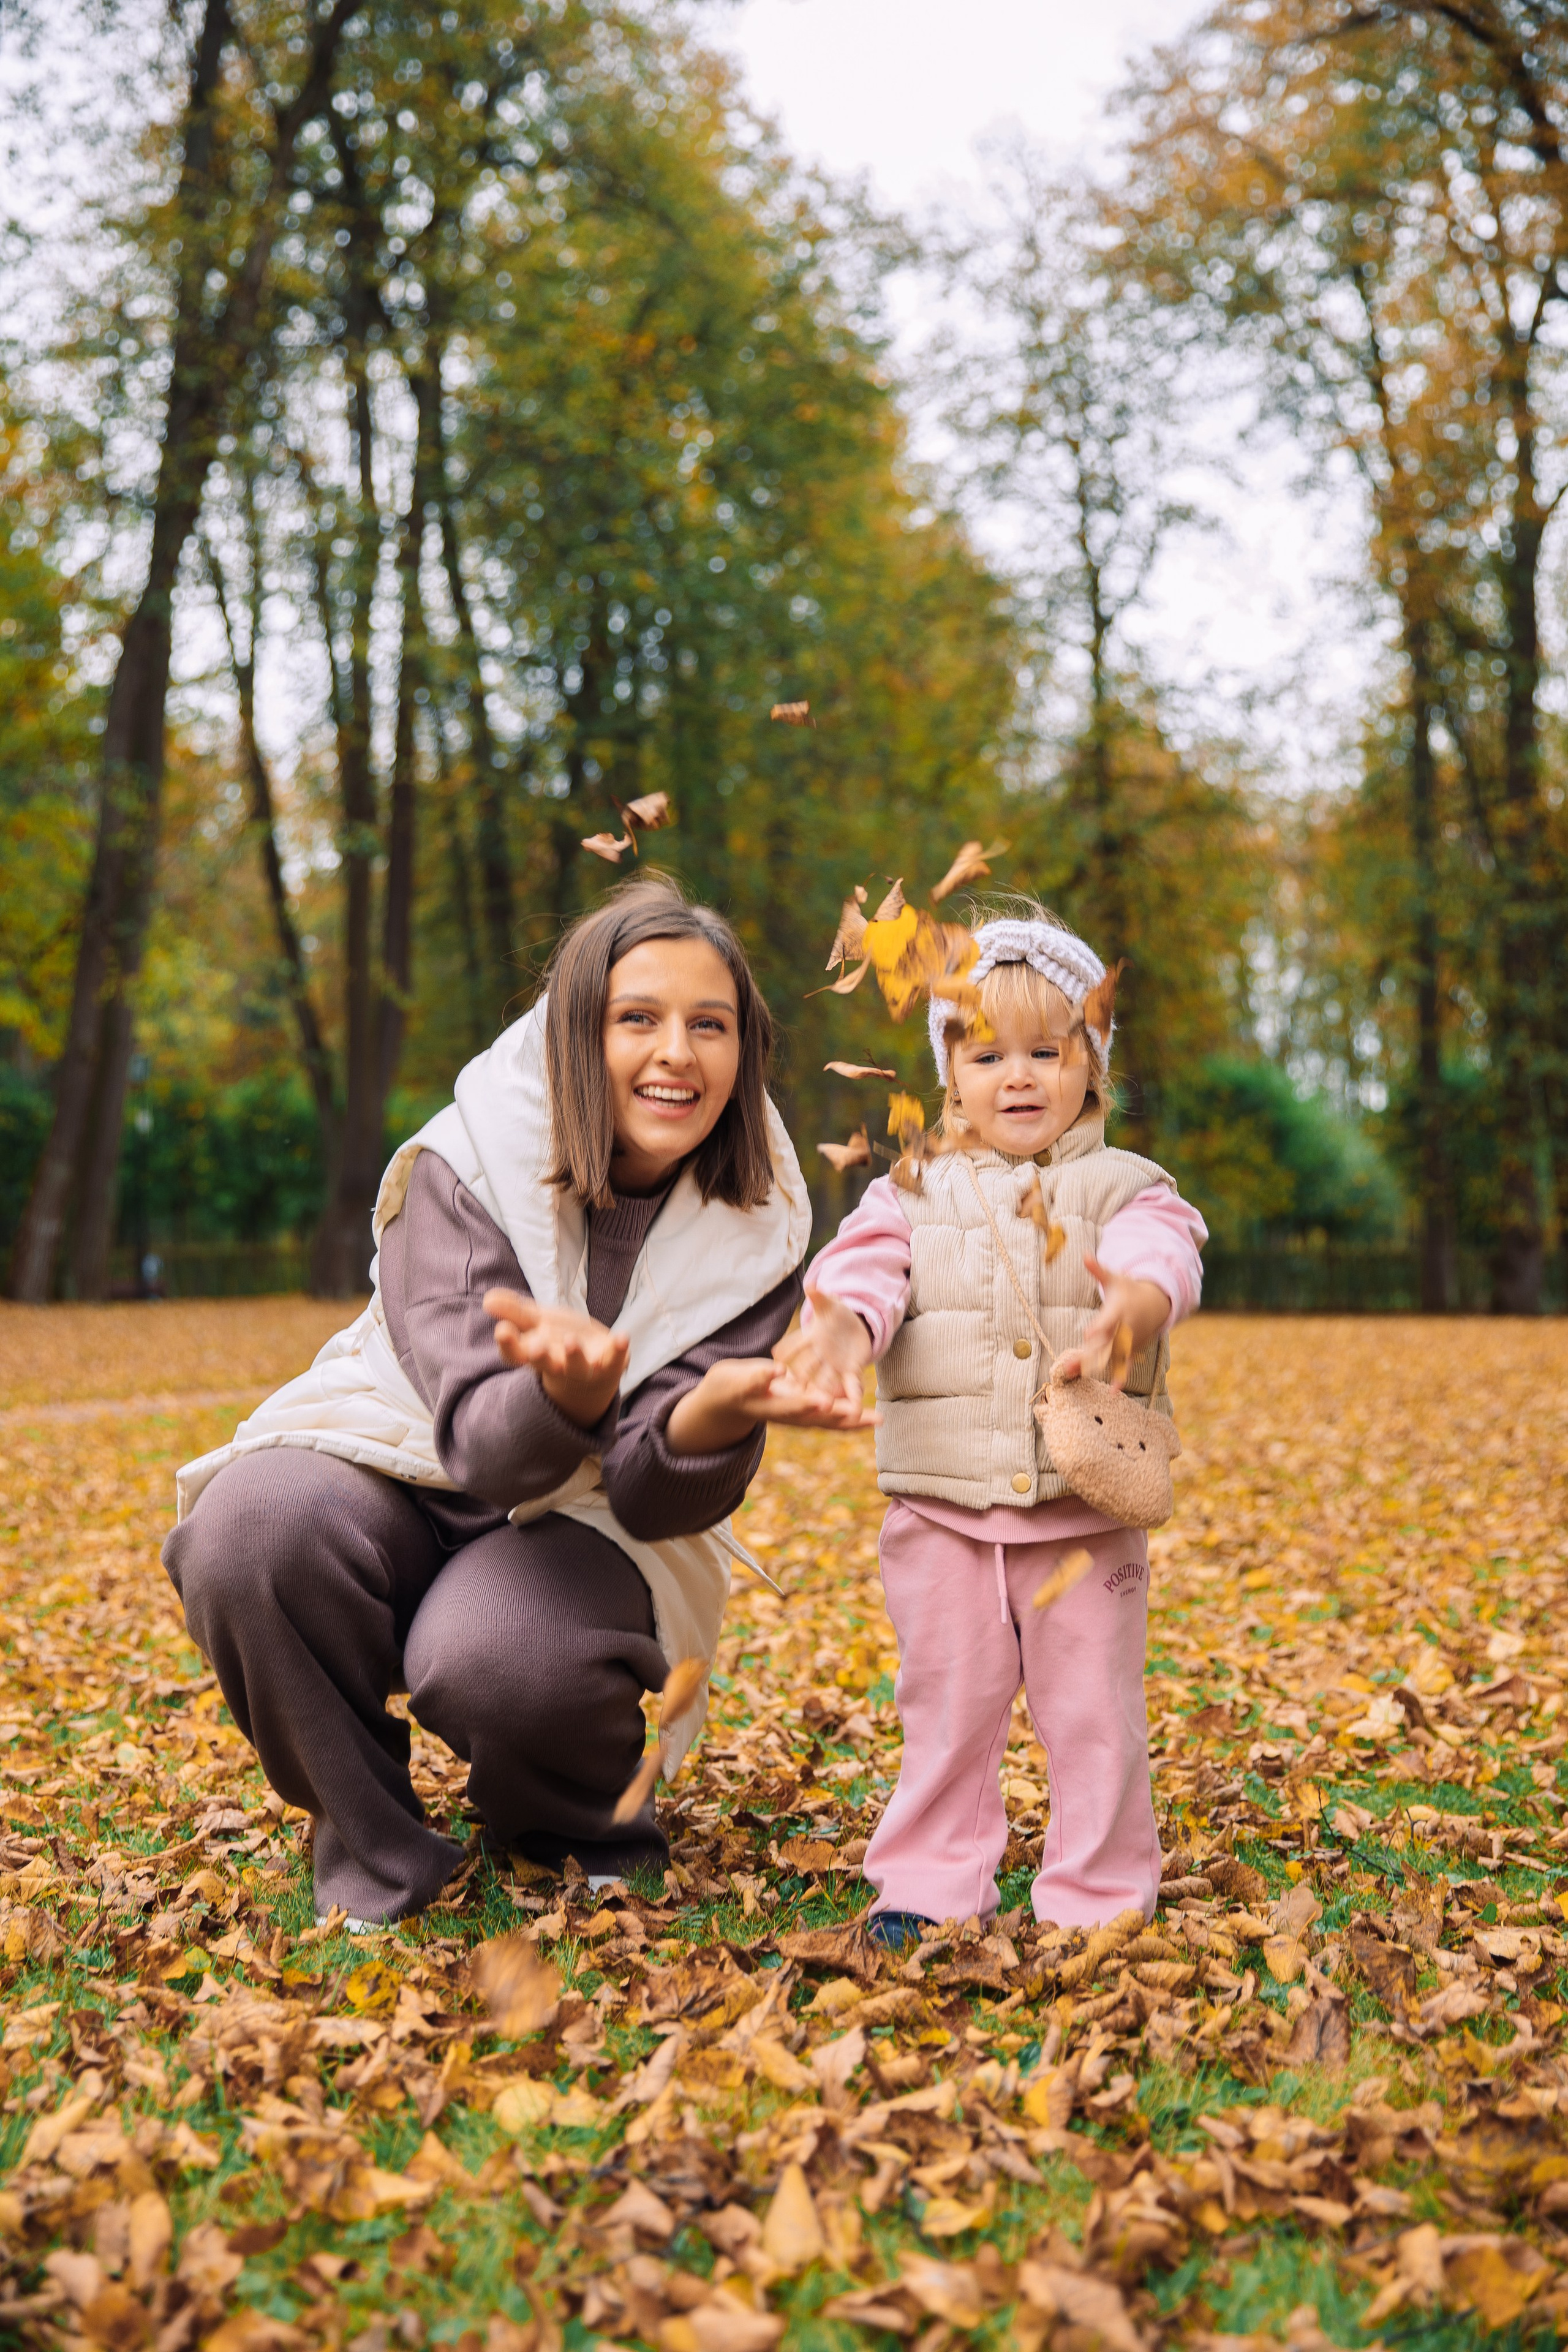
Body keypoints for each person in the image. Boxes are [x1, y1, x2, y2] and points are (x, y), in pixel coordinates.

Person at [164, 880, 869, 1928]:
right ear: (575, 1035)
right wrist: (564, 1391)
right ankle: (374, 1851)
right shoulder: (462, 1166)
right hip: (400, 1453)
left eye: (708, 1026)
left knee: (499, 1657)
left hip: (587, 1520)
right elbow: (482, 1443)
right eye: (639, 1018)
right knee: (247, 1533)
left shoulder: (758, 1223)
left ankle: (571, 1827)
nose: (677, 1052)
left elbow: (650, 1495)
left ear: (743, 1052)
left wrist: (709, 1418)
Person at [775, 905, 1207, 1943]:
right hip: (943, 1513)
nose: (1017, 1077)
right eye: (985, 1054)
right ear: (949, 1074)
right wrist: (840, 1327)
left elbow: (1171, 1251)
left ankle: (1098, 1897)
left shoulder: (1124, 1188)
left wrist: (1137, 1304)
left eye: (1046, 1052)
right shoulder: (909, 1191)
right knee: (947, 1712)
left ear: (1090, 1068)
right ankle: (928, 1886)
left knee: (1094, 1717)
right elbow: (864, 1266)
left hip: (1083, 1514)